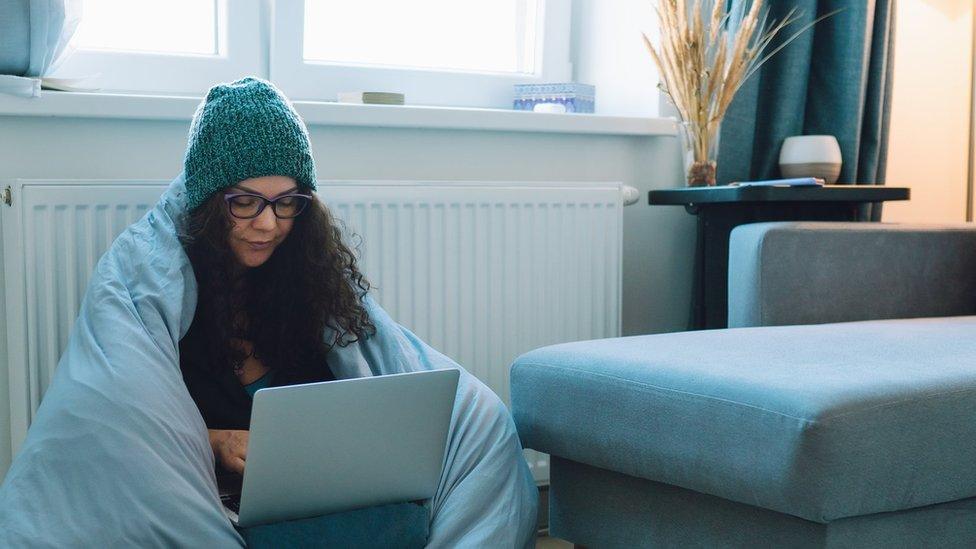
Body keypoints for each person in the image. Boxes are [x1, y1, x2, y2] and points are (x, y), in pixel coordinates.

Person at [176, 77, 375, 475]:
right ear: (210, 205)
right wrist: (216, 441)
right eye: (245, 202)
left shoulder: (308, 285)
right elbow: (139, 427)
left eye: (286, 202)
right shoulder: (176, 301)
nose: (268, 223)